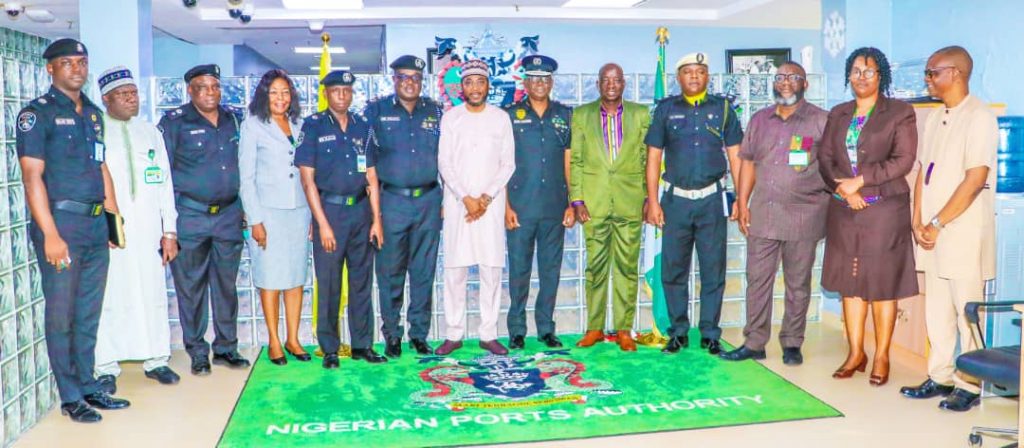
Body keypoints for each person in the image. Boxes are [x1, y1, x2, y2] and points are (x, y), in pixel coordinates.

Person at [16, 38, 129, 423]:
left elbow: (100, 168)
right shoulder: (37, 114)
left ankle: (87, 384)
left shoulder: (93, 115)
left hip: (95, 227)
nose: (77, 69)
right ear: (50, 68)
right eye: (67, 63)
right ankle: (69, 396)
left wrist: (112, 220)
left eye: (81, 62)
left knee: (88, 312)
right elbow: (32, 178)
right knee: (62, 314)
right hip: (61, 226)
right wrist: (49, 233)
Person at [899, 46, 997, 412]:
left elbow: (974, 180)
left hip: (962, 233)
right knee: (936, 311)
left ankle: (968, 384)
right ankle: (939, 375)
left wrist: (938, 222)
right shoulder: (934, 117)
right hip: (930, 232)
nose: (928, 80)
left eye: (932, 73)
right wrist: (917, 219)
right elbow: (924, 172)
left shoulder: (980, 117)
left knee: (966, 311)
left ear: (954, 73)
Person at [818, 47, 918, 387]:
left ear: (881, 76)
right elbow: (825, 159)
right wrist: (847, 190)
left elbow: (903, 159)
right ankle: (855, 352)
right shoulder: (838, 113)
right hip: (845, 210)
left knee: (882, 284)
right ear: (848, 76)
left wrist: (861, 181)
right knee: (850, 283)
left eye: (869, 71)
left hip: (885, 210)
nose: (862, 77)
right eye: (856, 71)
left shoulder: (900, 113)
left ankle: (882, 355)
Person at [720, 61, 828, 365]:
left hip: (804, 216)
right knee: (757, 279)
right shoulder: (759, 120)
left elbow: (834, 166)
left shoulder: (821, 121)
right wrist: (741, 202)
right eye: (780, 77)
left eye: (793, 77)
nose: (785, 82)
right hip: (763, 214)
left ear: (805, 84)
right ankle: (754, 342)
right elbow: (748, 163)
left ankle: (793, 342)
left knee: (797, 283)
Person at [645, 52, 743, 355]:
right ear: (679, 77)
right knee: (673, 270)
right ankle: (678, 331)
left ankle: (710, 333)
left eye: (700, 71)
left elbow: (736, 155)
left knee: (713, 270)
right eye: (688, 71)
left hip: (712, 200)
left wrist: (740, 197)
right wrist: (653, 202)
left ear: (707, 76)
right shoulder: (665, 110)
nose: (694, 76)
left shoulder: (724, 109)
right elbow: (653, 158)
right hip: (675, 202)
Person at [158, 64, 250, 375]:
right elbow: (164, 175)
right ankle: (197, 351)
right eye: (202, 87)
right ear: (190, 90)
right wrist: (166, 224)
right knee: (191, 287)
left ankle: (226, 347)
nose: (210, 92)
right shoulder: (174, 122)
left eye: (214, 86)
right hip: (191, 216)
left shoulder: (233, 119)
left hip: (228, 214)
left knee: (226, 285)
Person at [93, 66, 181, 392]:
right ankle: (105, 367)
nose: (133, 99)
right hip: (110, 233)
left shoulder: (150, 132)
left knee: (152, 293)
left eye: (134, 93)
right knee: (109, 295)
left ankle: (156, 360)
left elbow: (165, 183)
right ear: (106, 99)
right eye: (124, 95)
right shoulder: (96, 131)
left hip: (148, 231)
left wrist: (168, 231)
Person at [296, 70, 387, 369]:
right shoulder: (313, 126)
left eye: (347, 91)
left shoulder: (362, 125)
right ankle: (331, 348)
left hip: (361, 212)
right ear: (326, 93)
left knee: (362, 283)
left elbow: (371, 174)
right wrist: (322, 223)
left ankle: (362, 345)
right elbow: (308, 181)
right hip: (331, 213)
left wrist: (377, 220)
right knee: (330, 285)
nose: (342, 96)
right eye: (336, 91)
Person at [363, 55, 443, 358]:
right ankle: (393, 335)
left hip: (428, 201)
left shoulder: (435, 112)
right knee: (390, 272)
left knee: (423, 272)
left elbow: (447, 158)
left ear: (422, 81)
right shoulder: (376, 111)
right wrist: (374, 212)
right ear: (394, 80)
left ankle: (419, 334)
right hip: (391, 202)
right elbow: (367, 161)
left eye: (415, 78)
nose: (409, 82)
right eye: (403, 77)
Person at [435, 60, 516, 356]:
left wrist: (486, 197)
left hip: (490, 206)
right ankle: (454, 333)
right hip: (458, 206)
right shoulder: (451, 118)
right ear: (462, 87)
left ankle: (488, 333)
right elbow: (444, 163)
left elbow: (508, 163)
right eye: (469, 83)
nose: (475, 88)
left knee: (490, 269)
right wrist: (466, 198)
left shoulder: (500, 119)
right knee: (455, 269)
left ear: (488, 86)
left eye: (480, 82)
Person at [570, 63, 650, 352]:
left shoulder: (641, 114)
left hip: (630, 203)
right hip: (594, 203)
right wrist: (577, 200)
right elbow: (576, 160)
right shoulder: (581, 115)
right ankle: (594, 328)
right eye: (606, 80)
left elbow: (646, 159)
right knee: (596, 268)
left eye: (616, 80)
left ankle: (624, 330)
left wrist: (648, 198)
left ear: (624, 83)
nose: (611, 84)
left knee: (627, 268)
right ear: (598, 84)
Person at [238, 69, 311, 366]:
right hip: (267, 213)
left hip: (300, 210)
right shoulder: (253, 126)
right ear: (264, 96)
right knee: (270, 277)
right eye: (274, 93)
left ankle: (294, 339)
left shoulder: (300, 124)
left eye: (285, 92)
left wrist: (314, 218)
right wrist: (255, 220)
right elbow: (246, 177)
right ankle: (274, 341)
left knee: (295, 278)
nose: (280, 98)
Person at [504, 55, 574, 350]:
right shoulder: (509, 115)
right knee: (519, 271)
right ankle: (517, 329)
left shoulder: (565, 115)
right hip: (520, 207)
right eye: (534, 78)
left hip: (554, 207)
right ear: (526, 82)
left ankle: (546, 328)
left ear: (551, 82)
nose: (540, 84)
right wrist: (505, 206)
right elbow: (502, 164)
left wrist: (572, 202)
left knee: (550, 271)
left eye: (545, 79)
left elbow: (570, 161)